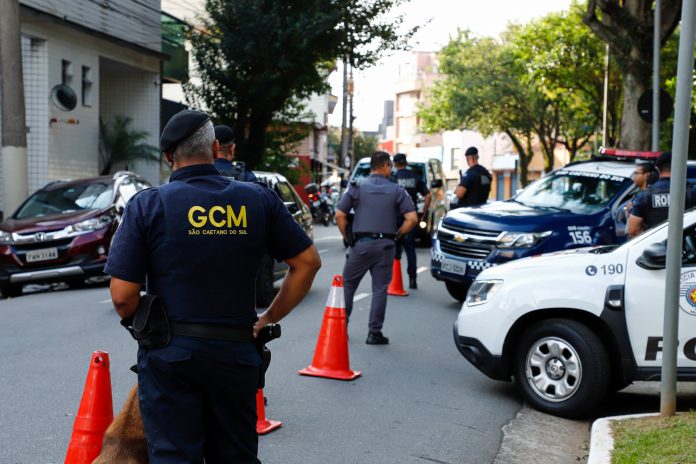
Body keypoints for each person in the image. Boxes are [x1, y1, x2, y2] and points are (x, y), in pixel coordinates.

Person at [105, 110, 321, 463]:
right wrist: (267, 317)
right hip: (236, 353)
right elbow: (308, 263)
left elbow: (123, 297)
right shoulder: (258, 199)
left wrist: (143, 325)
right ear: (217, 147)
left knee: (175, 456)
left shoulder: (148, 205)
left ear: (168, 156)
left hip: (171, 356)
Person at [335, 151, 418, 345]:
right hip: (386, 246)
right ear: (385, 166)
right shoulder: (396, 190)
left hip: (361, 244)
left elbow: (340, 214)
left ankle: (340, 328)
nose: (391, 169)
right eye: (389, 166)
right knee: (380, 289)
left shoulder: (356, 186)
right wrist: (397, 235)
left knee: (348, 285)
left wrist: (348, 237)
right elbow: (412, 219)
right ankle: (374, 333)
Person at [628, 151, 696, 238]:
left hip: (655, 247)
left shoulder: (644, 196)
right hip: (685, 248)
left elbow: (633, 230)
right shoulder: (692, 191)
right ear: (680, 166)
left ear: (657, 168)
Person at [392, 152, 431, 289]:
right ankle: (412, 280)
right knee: (410, 249)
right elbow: (428, 195)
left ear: (395, 164)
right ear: (406, 163)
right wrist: (423, 212)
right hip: (410, 218)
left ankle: (393, 280)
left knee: (393, 249)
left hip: (395, 219)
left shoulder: (393, 178)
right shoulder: (415, 177)